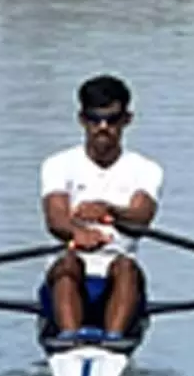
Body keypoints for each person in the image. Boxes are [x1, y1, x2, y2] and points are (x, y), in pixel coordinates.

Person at [38, 74, 164, 343]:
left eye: (112, 120)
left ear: (127, 120)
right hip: (69, 274)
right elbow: (56, 218)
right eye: (94, 119)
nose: (103, 127)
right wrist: (77, 235)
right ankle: (70, 338)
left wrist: (111, 211)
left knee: (126, 266)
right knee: (68, 264)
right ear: (82, 120)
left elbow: (142, 217)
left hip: (120, 276)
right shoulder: (58, 165)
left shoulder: (146, 169)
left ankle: (114, 341)